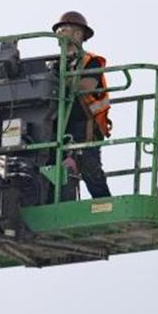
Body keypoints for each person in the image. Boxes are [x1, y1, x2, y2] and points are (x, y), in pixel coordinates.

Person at [52, 11, 112, 198]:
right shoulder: (53, 64)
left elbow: (86, 86)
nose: (59, 33)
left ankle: (104, 205)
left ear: (78, 34)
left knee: (90, 168)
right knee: (52, 168)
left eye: (64, 29)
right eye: (58, 30)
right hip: (57, 126)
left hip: (85, 125)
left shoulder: (91, 61)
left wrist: (60, 79)